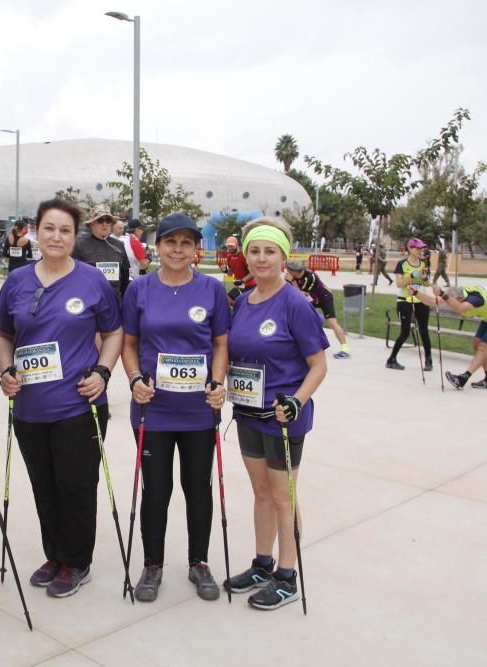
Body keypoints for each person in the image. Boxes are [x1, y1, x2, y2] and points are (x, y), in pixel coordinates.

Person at [0, 197, 122, 598]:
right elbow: (3, 334)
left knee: (76, 487)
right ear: (36, 231)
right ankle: (55, 554)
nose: (56, 236)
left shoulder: (91, 280)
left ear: (74, 236)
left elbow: (115, 331)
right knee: (44, 486)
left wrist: (103, 373)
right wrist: (5, 371)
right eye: (49, 228)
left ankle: (76, 561)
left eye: (65, 230)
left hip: (78, 406)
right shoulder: (17, 281)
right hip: (30, 408)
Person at [121, 213, 229, 603]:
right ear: (158, 246)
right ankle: (152, 564)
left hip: (199, 409)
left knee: (197, 488)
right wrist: (134, 380)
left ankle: (199, 562)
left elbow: (220, 343)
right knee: (157, 489)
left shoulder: (212, 290)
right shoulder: (140, 289)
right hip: (154, 409)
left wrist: (218, 383)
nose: (178, 250)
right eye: (171, 242)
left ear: (196, 248)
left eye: (186, 243)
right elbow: (129, 343)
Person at [224, 217, 328, 611]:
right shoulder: (244, 301)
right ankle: (262, 563)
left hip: (284, 419)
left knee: (284, 498)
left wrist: (297, 401)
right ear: (245, 256)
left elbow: (318, 365)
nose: (261, 258)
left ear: (284, 257)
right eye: (254, 250)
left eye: (270, 251)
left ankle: (287, 575)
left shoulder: (295, 304)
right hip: (249, 415)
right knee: (262, 494)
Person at [412, 284, 487, 390]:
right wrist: (416, 293)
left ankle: (462, 379)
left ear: (460, 298)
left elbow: (461, 308)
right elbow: (433, 302)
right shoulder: (457, 294)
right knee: (476, 343)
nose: (451, 307)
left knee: (484, 347)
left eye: (452, 304)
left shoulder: (475, 298)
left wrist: (442, 294)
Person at [285, 259, 351, 359]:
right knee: (297, 318)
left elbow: (301, 294)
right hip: (312, 300)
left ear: (294, 272)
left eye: (288, 270)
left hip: (324, 298)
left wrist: (291, 281)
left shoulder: (310, 277)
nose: (287, 272)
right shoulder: (293, 277)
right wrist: (288, 281)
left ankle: (345, 349)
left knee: (332, 322)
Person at [385, 238, 432, 372]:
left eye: (421, 249)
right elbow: (399, 284)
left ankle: (428, 360)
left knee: (424, 330)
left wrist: (424, 278)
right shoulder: (402, 264)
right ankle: (392, 359)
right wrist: (412, 276)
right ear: (410, 249)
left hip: (421, 300)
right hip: (405, 300)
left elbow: (427, 284)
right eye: (417, 248)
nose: (420, 251)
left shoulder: (424, 264)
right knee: (405, 332)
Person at [72, 208, 130, 302]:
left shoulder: (119, 245)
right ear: (92, 224)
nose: (105, 224)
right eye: (100, 220)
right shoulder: (80, 245)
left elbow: (125, 277)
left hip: (114, 303)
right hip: (89, 303)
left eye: (108, 220)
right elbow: (73, 278)